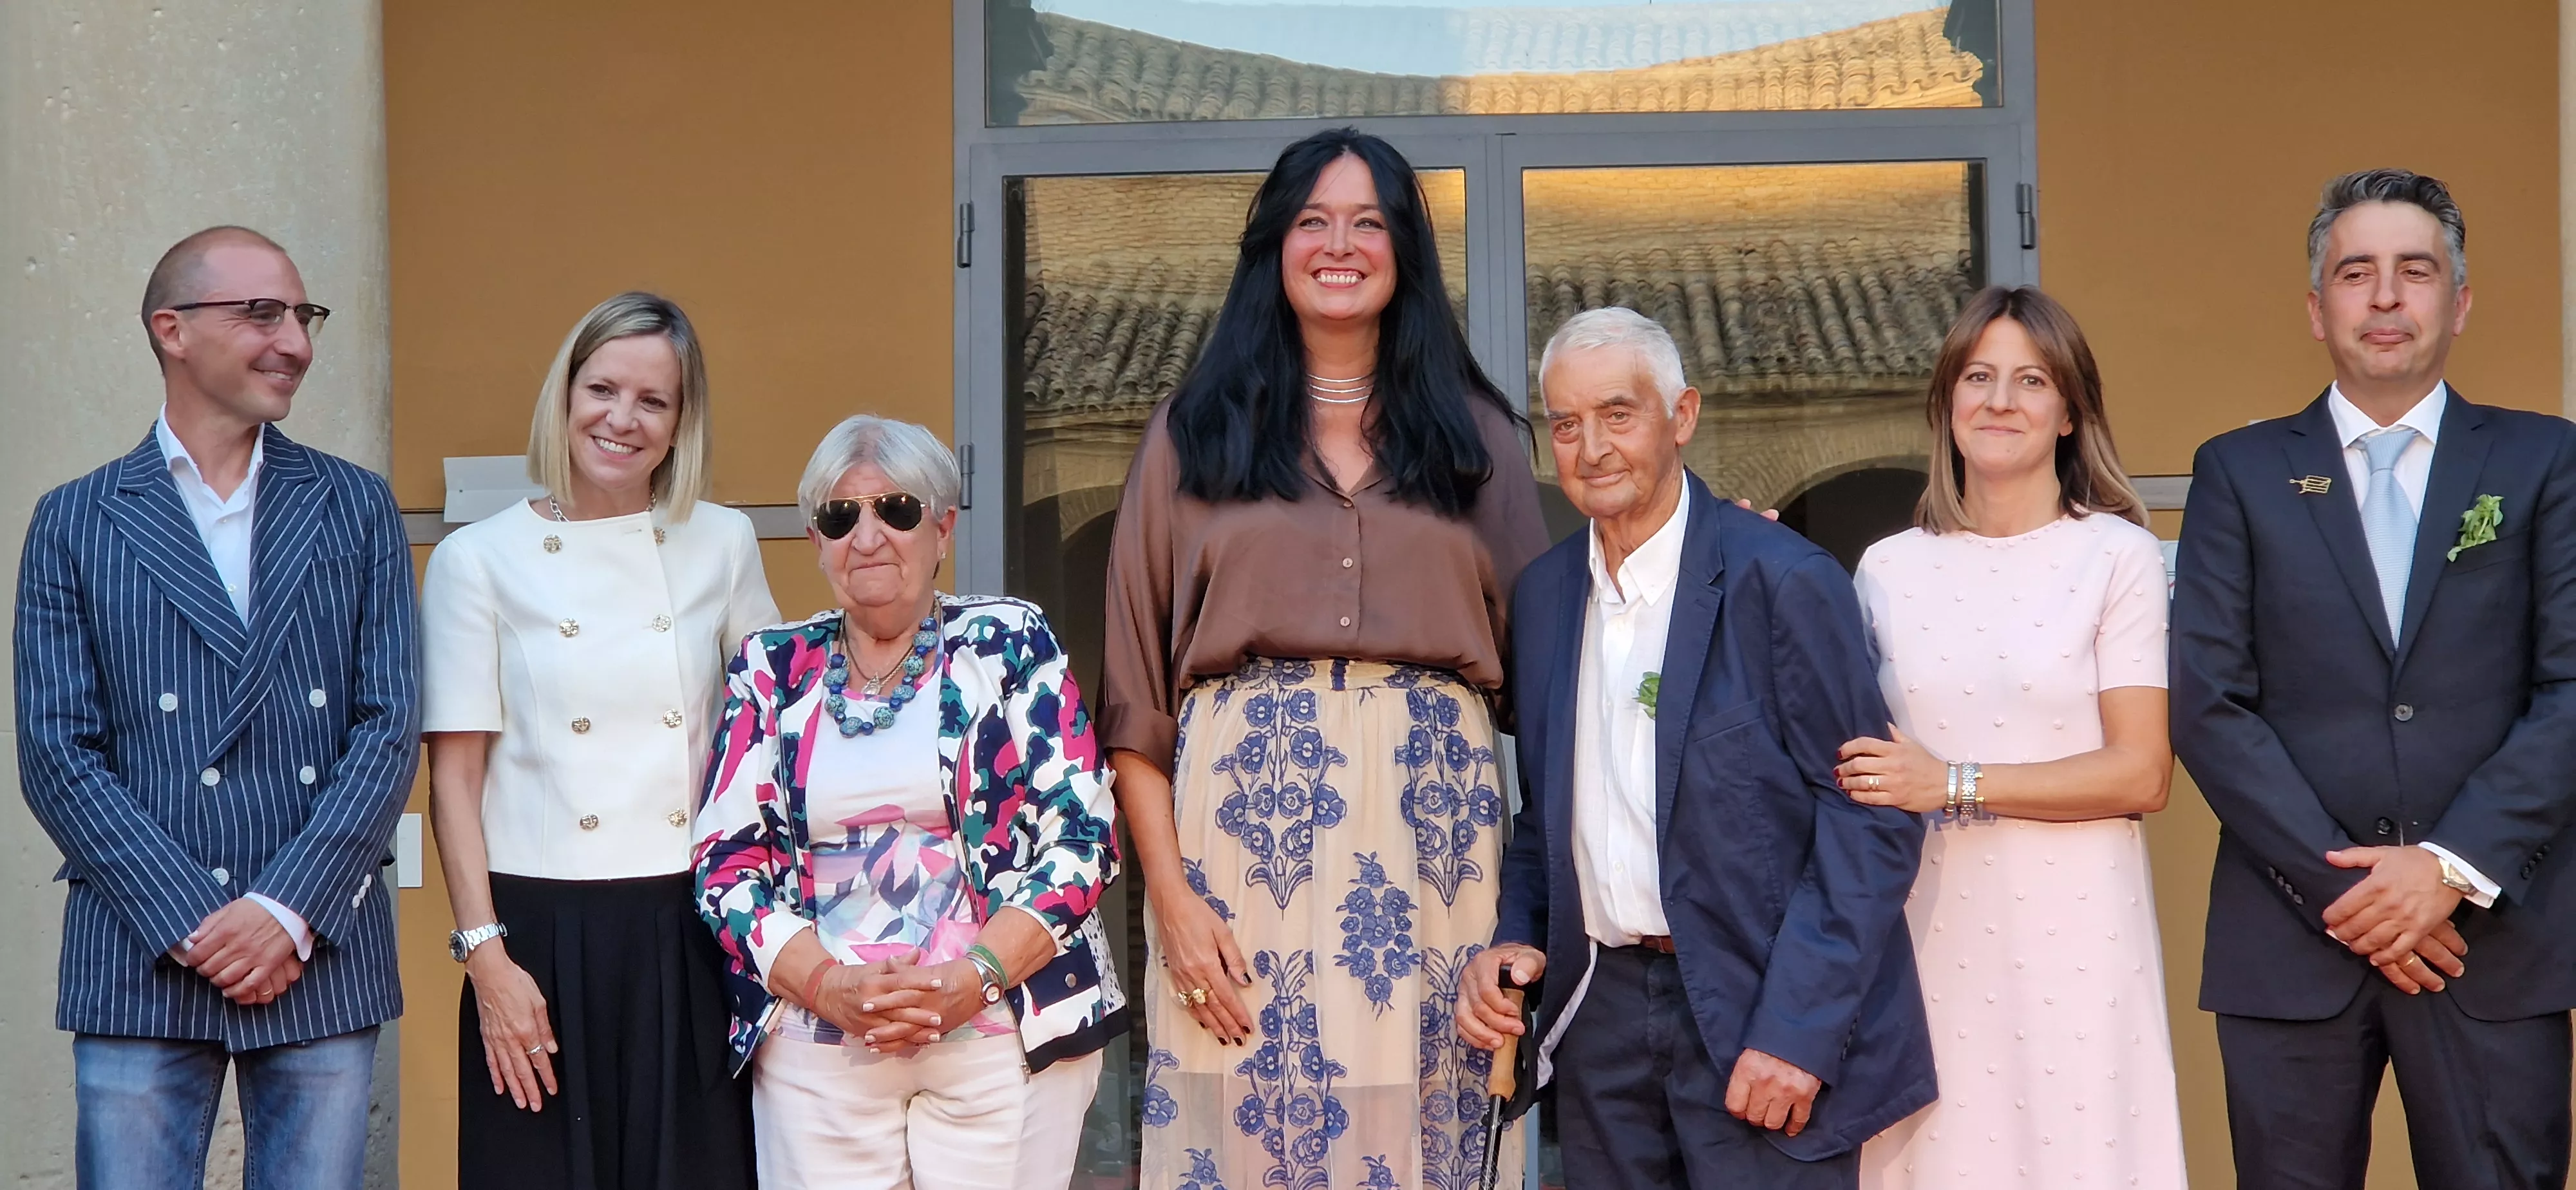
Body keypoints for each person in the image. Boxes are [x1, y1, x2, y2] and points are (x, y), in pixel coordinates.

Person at [1103, 126, 1549, 1190]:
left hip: (1435, 854)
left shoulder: (1477, 437)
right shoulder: (1192, 434)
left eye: (1369, 221)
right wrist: (1171, 897)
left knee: (1430, 1123)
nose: (1340, 244)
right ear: (1273, 247)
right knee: (1253, 1122)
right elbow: (1133, 705)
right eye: (1313, 220)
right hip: (1241, 855)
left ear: (1405, 250)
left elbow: (1556, 662)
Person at [1454, 306, 1933, 1189]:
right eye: (1566, 424)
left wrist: (1798, 1033)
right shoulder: (1548, 597)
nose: (1591, 447)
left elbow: (1870, 822)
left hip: (1758, 1008)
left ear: (1682, 417)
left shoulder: (1784, 582)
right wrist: (1514, 939)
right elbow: (1543, 818)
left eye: (1618, 415)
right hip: (1599, 1022)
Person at [2173, 169, 2576, 1189]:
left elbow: (2571, 688)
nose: (2386, 297)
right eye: (2357, 273)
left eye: (2415, 271)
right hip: (2292, 939)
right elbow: (2212, 705)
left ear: (2460, 302)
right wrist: (2354, 896)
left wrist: (2446, 869)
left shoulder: (2545, 462)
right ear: (2318, 310)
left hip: (2494, 939)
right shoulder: (2240, 470)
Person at [14, 225, 417, 1186]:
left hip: (316, 947)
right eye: (261, 313)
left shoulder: (356, 506)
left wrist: (283, 911)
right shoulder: (76, 519)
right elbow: (56, 751)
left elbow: (389, 725)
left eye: (303, 316)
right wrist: (198, 920)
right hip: (143, 950)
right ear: (173, 331)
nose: (296, 342)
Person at [696, 415, 1121, 1190]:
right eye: (838, 516)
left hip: (1000, 1030)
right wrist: (829, 988)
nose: (868, 536)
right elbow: (726, 867)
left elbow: (1083, 833)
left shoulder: (1007, 643)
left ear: (942, 527)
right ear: (815, 540)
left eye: (895, 510)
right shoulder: (770, 667)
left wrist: (975, 977)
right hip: (818, 1047)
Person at [1832, 287, 2187, 1187]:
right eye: (1979, 377)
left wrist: (1953, 781)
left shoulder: (2118, 555)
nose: (2001, 401)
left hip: (2077, 937)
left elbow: (2142, 771)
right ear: (1948, 403)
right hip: (1924, 933)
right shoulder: (1885, 569)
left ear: (2069, 411)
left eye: (2031, 381)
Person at [420, 292, 773, 1187]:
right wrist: (486, 959)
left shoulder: (724, 542)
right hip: (535, 934)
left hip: (689, 928)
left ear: (681, 422)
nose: (622, 420)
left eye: (653, 401)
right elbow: (454, 782)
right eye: (602, 389)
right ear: (565, 395)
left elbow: (775, 734)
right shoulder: (477, 558)